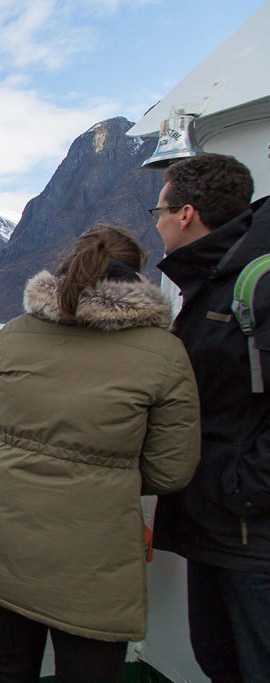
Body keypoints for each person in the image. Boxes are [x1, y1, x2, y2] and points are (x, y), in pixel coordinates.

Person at [0, 225, 200, 682]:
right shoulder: (164, 353)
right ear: (136, 278)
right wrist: (110, 475)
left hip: (8, 542)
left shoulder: (13, 335)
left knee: (11, 668)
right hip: (96, 558)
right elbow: (171, 469)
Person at [150, 152, 270, 681]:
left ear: (186, 214)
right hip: (216, 517)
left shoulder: (254, 285)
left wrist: (243, 490)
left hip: (249, 527)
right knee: (218, 658)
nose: (155, 223)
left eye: (159, 210)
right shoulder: (209, 282)